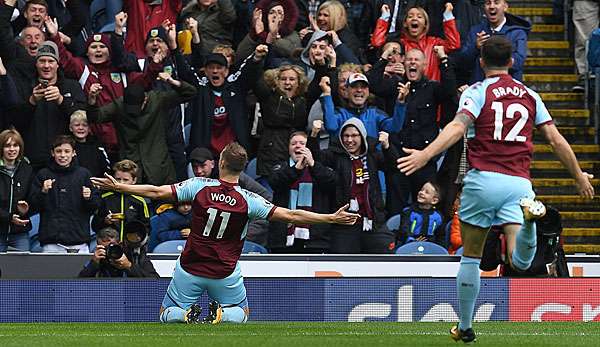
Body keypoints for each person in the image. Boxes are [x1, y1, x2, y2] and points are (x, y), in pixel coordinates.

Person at [396, 36, 595, 343]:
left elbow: (457, 127)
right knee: (520, 261)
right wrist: (578, 175)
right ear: (511, 62)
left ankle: (464, 325)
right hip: (518, 184)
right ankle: (529, 223)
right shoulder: (530, 94)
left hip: (483, 181)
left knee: (471, 258)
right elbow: (555, 139)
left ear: (481, 61)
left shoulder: (478, 91)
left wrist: (425, 154)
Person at [91, 142, 359, 324]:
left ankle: (183, 316)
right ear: (242, 169)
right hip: (225, 272)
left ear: (220, 163)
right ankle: (222, 315)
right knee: (242, 313)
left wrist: (121, 188)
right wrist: (331, 217)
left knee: (165, 313)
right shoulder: (249, 200)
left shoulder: (198, 186)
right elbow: (290, 215)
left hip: (190, 268)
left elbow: (157, 191)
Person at [309, 119, 398, 253]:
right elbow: (315, 158)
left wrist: (387, 146)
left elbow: (393, 167)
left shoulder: (372, 154)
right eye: (346, 136)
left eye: (354, 135)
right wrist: (314, 134)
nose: (349, 140)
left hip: (373, 222)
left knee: (382, 262)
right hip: (345, 223)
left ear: (362, 137)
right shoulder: (336, 154)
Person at [267, 131, 336, 253]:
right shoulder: (279, 167)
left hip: (315, 240)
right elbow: (275, 183)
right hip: (283, 239)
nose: (297, 146)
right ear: (289, 149)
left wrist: (313, 165)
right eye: (293, 143)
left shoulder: (321, 168)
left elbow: (332, 183)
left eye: (302, 143)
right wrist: (296, 169)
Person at [30, 135, 101, 253]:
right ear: (53, 153)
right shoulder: (43, 174)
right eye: (58, 151)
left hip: (79, 241)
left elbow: (96, 206)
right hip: (52, 242)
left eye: (67, 151)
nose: (63, 155)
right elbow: (32, 206)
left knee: (82, 272)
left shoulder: (84, 174)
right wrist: (43, 192)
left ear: (74, 153)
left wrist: (88, 198)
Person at [459, 0, 530, 84]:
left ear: (505, 6)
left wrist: (496, 49)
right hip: (481, 90)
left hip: (508, 90)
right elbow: (463, 63)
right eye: (488, 3)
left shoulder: (517, 33)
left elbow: (518, 62)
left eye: (496, 2)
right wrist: (475, 47)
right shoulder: (476, 31)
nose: (492, 7)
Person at [92, 160, 151, 241]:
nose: (121, 183)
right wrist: (105, 221)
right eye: (118, 179)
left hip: (131, 246)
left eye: (125, 180)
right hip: (110, 247)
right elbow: (94, 226)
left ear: (134, 180)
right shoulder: (105, 198)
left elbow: (147, 228)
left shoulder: (140, 201)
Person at [78, 226, 159, 277]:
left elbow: (156, 281)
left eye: (112, 246)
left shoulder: (135, 256)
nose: (109, 250)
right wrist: (94, 264)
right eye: (105, 248)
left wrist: (129, 266)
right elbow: (78, 284)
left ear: (120, 244)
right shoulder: (98, 259)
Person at [0, 129, 34, 252]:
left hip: (20, 232)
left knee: (23, 269)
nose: (12, 149)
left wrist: (25, 210)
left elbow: (33, 199)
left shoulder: (27, 170)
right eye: (7, 146)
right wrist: (9, 217)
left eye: (15, 145)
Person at [397, 181, 443, 246]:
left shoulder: (438, 216)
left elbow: (440, 235)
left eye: (426, 192)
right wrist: (412, 241)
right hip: (409, 245)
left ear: (434, 200)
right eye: (421, 190)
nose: (421, 192)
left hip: (430, 247)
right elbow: (404, 230)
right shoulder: (408, 211)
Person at [69, 110, 111, 178]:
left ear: (89, 128)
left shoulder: (98, 146)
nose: (81, 128)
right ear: (70, 128)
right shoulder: (67, 146)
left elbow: (106, 167)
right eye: (77, 125)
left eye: (84, 125)